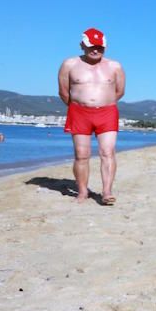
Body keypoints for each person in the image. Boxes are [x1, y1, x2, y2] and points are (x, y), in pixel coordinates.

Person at [57, 28, 125, 205]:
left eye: (99, 47)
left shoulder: (114, 66)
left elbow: (120, 91)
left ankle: (107, 191)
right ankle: (82, 192)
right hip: (79, 112)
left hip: (107, 112)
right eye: (91, 47)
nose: (95, 50)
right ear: (82, 45)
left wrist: (103, 102)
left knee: (107, 152)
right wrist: (80, 106)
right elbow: (64, 92)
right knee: (81, 154)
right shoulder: (69, 64)